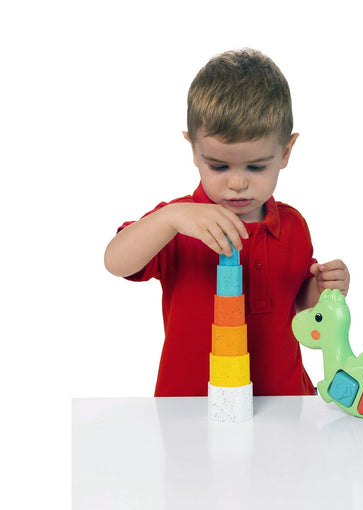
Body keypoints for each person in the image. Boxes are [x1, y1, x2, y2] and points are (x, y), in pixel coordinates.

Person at [104, 48, 350, 396]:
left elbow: (300, 308)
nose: (237, 183)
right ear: (194, 150)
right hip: (191, 406)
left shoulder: (293, 226)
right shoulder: (178, 223)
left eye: (256, 167)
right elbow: (115, 261)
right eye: (219, 166)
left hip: (284, 403)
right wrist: (171, 218)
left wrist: (323, 289)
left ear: (285, 152)